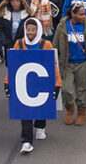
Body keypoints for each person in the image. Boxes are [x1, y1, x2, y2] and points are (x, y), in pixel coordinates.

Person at [7, 16, 60, 153]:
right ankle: (26, 141)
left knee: (42, 106)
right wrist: (7, 83)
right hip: (24, 84)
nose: (30, 32)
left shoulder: (46, 45)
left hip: (41, 81)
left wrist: (57, 84)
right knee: (25, 111)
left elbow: (53, 66)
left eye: (33, 30)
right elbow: (13, 66)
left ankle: (41, 126)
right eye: (28, 29)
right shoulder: (19, 44)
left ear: (38, 30)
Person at [52, 2, 86, 126]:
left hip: (83, 63)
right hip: (67, 63)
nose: (83, 17)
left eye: (84, 14)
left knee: (82, 89)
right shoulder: (62, 26)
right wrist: (52, 61)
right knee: (66, 89)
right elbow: (55, 45)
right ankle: (69, 110)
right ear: (73, 14)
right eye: (80, 14)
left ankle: (82, 112)